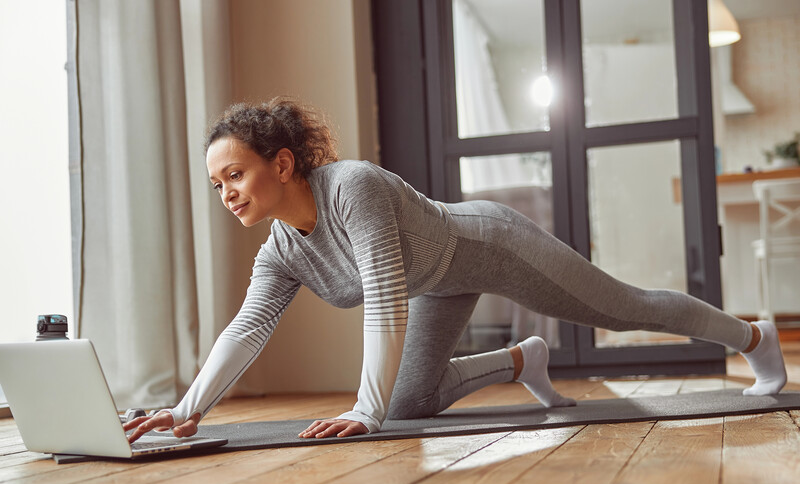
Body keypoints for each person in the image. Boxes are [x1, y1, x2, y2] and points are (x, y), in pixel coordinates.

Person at [124, 98, 787, 443]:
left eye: (234, 175)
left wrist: (364, 411)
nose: (228, 193)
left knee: (622, 307)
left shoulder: (352, 188)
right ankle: (523, 362)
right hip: (436, 280)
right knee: (409, 403)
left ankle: (755, 338)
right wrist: (186, 409)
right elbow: (247, 328)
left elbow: (386, 300)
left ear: (284, 164)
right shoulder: (281, 251)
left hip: (489, 245)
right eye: (217, 185)